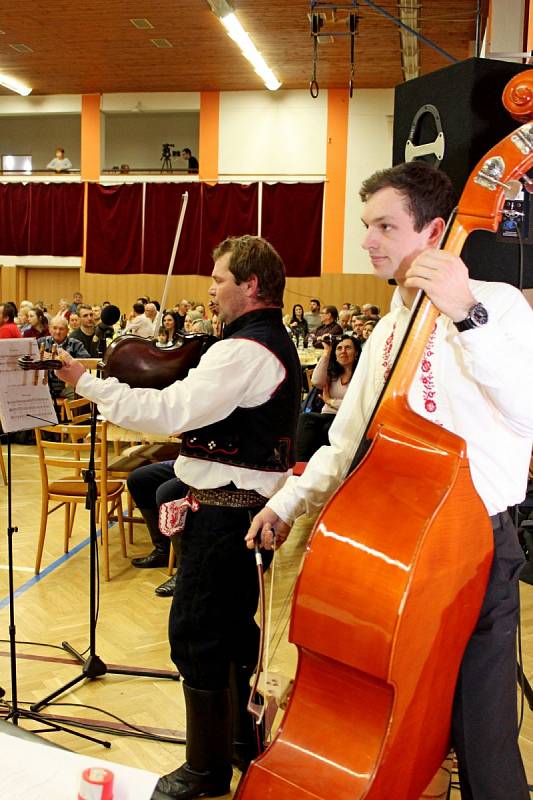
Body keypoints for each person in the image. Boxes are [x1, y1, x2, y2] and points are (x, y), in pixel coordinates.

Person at [247, 160, 533, 800]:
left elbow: (527, 409)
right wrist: (289, 502)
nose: (369, 240)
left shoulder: (499, 305)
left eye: (384, 225)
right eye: (365, 225)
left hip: (473, 546)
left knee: (481, 726)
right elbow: (347, 442)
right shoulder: (384, 332)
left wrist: (465, 313)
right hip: (396, 543)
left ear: (435, 231)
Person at [55, 234, 302, 800]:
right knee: (234, 633)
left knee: (196, 635)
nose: (211, 291)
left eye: (219, 280)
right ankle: (240, 745)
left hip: (225, 516)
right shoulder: (261, 343)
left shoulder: (243, 350)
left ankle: (205, 771)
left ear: (250, 284)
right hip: (238, 512)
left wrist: (88, 384)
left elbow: (170, 410)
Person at [296, 333, 360, 460]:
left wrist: (331, 401)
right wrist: (326, 351)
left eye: (348, 348)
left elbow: (355, 405)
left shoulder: (361, 375)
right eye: (339, 348)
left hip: (348, 418)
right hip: (326, 415)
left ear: (356, 353)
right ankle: (300, 464)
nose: (343, 351)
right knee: (305, 418)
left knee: (326, 428)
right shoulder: (333, 373)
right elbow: (317, 381)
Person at [38, 317, 90, 400]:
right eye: (55, 328)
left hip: (68, 385)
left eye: (61, 329)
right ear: (49, 329)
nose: (58, 332)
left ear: (67, 330)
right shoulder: (41, 342)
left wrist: (66, 359)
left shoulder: (76, 344)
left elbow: (86, 360)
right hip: (46, 385)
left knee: (79, 399)